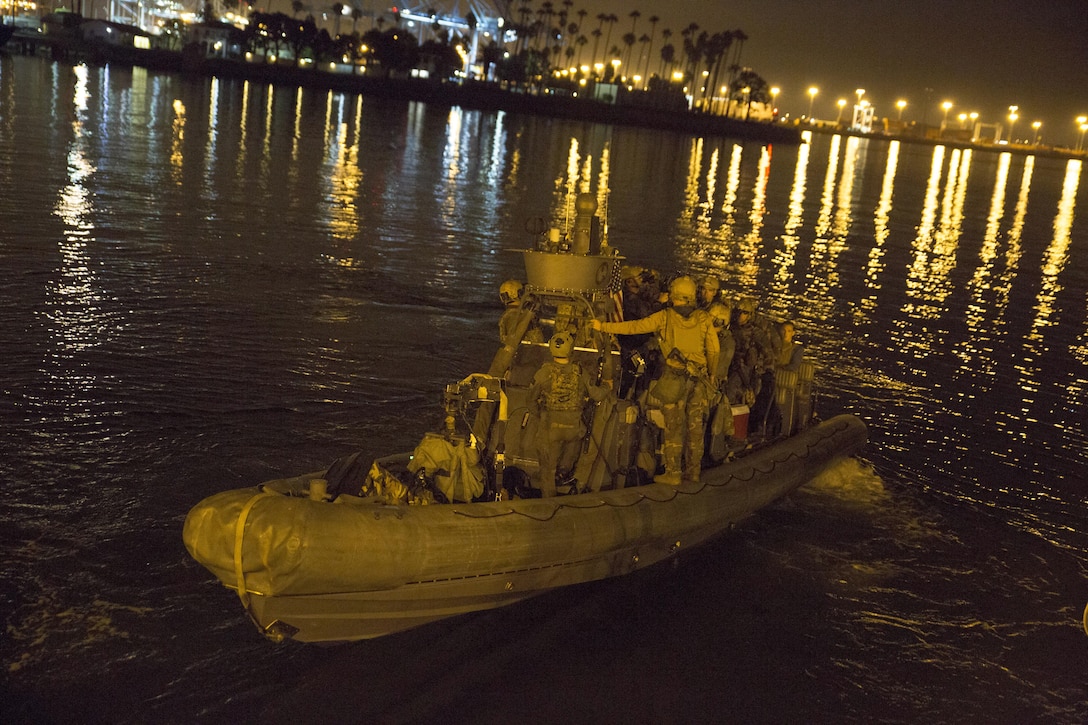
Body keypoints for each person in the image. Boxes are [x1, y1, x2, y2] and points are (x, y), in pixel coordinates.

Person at [591, 276, 719, 485]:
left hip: (674, 380)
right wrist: (712, 374)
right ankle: (693, 472)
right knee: (696, 429)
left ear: (674, 295)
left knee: (673, 428)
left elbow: (635, 327)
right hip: (699, 380)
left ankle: (673, 473)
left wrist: (603, 327)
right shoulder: (704, 319)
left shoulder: (664, 317)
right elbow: (714, 350)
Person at [528, 331, 608, 497]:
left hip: (550, 428)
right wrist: (607, 386)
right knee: (570, 453)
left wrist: (540, 416)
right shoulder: (579, 372)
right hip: (574, 428)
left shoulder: (544, 373)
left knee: (547, 470)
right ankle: (569, 480)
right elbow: (597, 395)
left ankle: (549, 502)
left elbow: (530, 401)